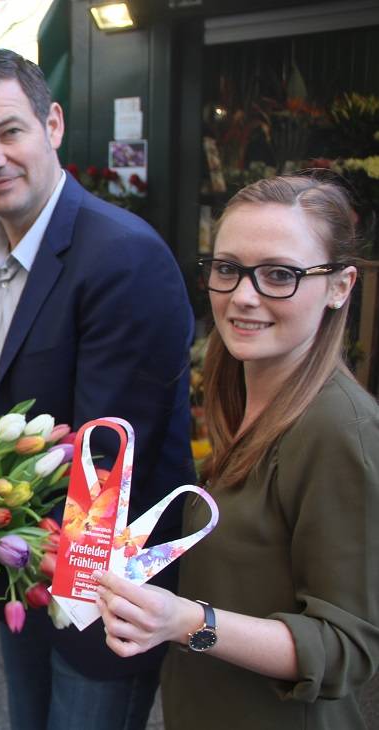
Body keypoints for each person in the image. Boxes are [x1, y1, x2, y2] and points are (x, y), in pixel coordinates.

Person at [0, 49, 195, 730]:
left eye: (8, 132)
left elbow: (109, 464)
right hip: (19, 568)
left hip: (97, 593)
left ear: (51, 124)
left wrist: (9, 549)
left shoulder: (120, 254)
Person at [96, 172, 379, 729]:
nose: (244, 296)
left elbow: (346, 649)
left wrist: (189, 623)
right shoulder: (236, 391)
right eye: (228, 269)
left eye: (280, 274)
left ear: (340, 286)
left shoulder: (339, 430)